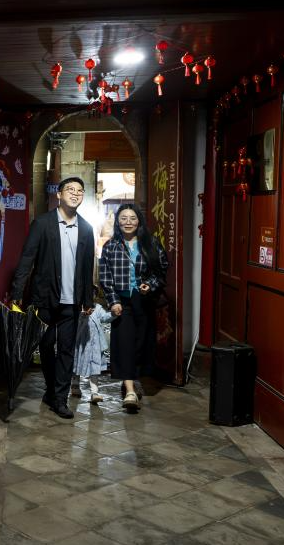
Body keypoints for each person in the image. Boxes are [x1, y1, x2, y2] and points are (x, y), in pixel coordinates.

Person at [10, 177, 95, 418]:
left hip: (72, 301)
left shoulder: (86, 229)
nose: (75, 193)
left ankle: (60, 398)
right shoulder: (43, 223)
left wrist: (88, 299)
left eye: (80, 191)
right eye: (70, 189)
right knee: (46, 346)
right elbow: (27, 258)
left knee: (67, 350)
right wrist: (17, 293)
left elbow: (87, 266)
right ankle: (50, 389)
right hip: (45, 298)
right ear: (59, 194)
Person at [98, 204, 169, 412]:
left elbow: (162, 269)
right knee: (124, 343)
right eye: (123, 218)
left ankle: (130, 379)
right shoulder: (110, 246)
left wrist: (150, 285)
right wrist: (113, 301)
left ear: (139, 221)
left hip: (144, 301)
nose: (128, 222)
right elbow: (105, 277)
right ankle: (130, 390)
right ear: (117, 222)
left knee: (141, 343)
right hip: (122, 302)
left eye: (132, 218)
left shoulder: (151, 243)